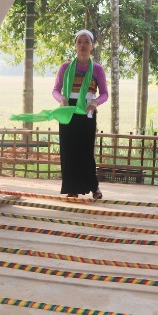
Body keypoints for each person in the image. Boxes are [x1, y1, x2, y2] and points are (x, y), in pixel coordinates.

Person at [52, 29, 109, 199]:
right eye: (79, 42)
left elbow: (105, 93)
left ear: (92, 46)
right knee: (69, 151)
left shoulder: (97, 69)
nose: (82, 45)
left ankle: (94, 187)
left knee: (85, 151)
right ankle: (72, 188)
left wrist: (95, 102)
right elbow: (55, 90)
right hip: (68, 112)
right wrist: (62, 99)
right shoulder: (65, 68)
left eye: (86, 42)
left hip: (87, 113)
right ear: (75, 45)